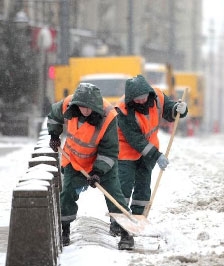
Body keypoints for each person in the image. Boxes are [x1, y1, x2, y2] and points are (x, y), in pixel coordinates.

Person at [47, 83, 134, 250]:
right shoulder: (68, 104)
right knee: (66, 195)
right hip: (74, 161)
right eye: (81, 107)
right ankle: (64, 230)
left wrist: (97, 171)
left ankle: (126, 233)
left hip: (102, 164)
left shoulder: (109, 117)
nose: (84, 111)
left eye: (88, 108)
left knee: (114, 196)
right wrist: (54, 134)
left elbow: (109, 151)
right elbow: (53, 116)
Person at [114, 74, 188, 231]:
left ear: (148, 93)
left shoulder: (157, 96)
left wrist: (178, 109)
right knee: (124, 187)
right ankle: (118, 223)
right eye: (137, 99)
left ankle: (139, 219)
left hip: (149, 150)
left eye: (143, 97)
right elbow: (136, 140)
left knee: (143, 186)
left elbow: (169, 110)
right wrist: (157, 155)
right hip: (126, 151)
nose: (140, 101)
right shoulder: (123, 109)